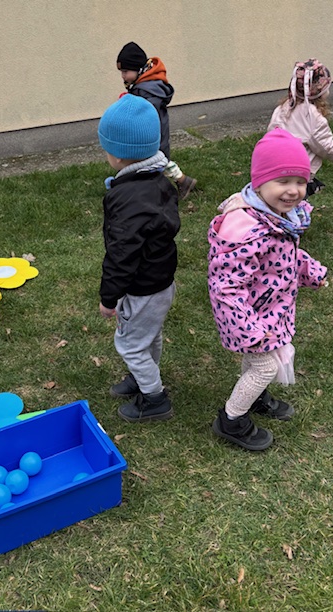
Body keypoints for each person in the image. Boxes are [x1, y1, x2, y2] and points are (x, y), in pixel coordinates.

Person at [208, 128, 328, 450]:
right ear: (259, 183)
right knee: (265, 366)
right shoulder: (245, 230)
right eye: (283, 181)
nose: (293, 190)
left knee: (258, 362)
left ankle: (255, 397)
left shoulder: (279, 218)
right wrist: (247, 328)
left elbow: (284, 257)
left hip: (270, 309)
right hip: (249, 316)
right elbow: (226, 286)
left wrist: (311, 271)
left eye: (300, 181)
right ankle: (231, 419)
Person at [97, 93, 180, 423]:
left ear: (117, 155)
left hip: (142, 287)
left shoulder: (127, 198)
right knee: (149, 335)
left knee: (130, 344)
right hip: (161, 282)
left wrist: (109, 297)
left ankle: (154, 398)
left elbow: (122, 254)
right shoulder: (158, 180)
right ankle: (144, 375)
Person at [116, 41, 197, 200]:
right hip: (153, 133)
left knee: (156, 163)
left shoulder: (148, 91)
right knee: (158, 162)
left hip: (154, 134)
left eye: (125, 71)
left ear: (139, 69)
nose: (123, 76)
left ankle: (176, 184)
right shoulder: (143, 86)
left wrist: (130, 106)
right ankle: (182, 181)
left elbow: (146, 112)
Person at [268, 58, 333, 197]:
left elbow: (271, 132)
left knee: (280, 196)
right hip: (297, 169)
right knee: (295, 197)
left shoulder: (284, 107)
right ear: (320, 91)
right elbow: (325, 145)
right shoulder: (313, 118)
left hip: (276, 163)